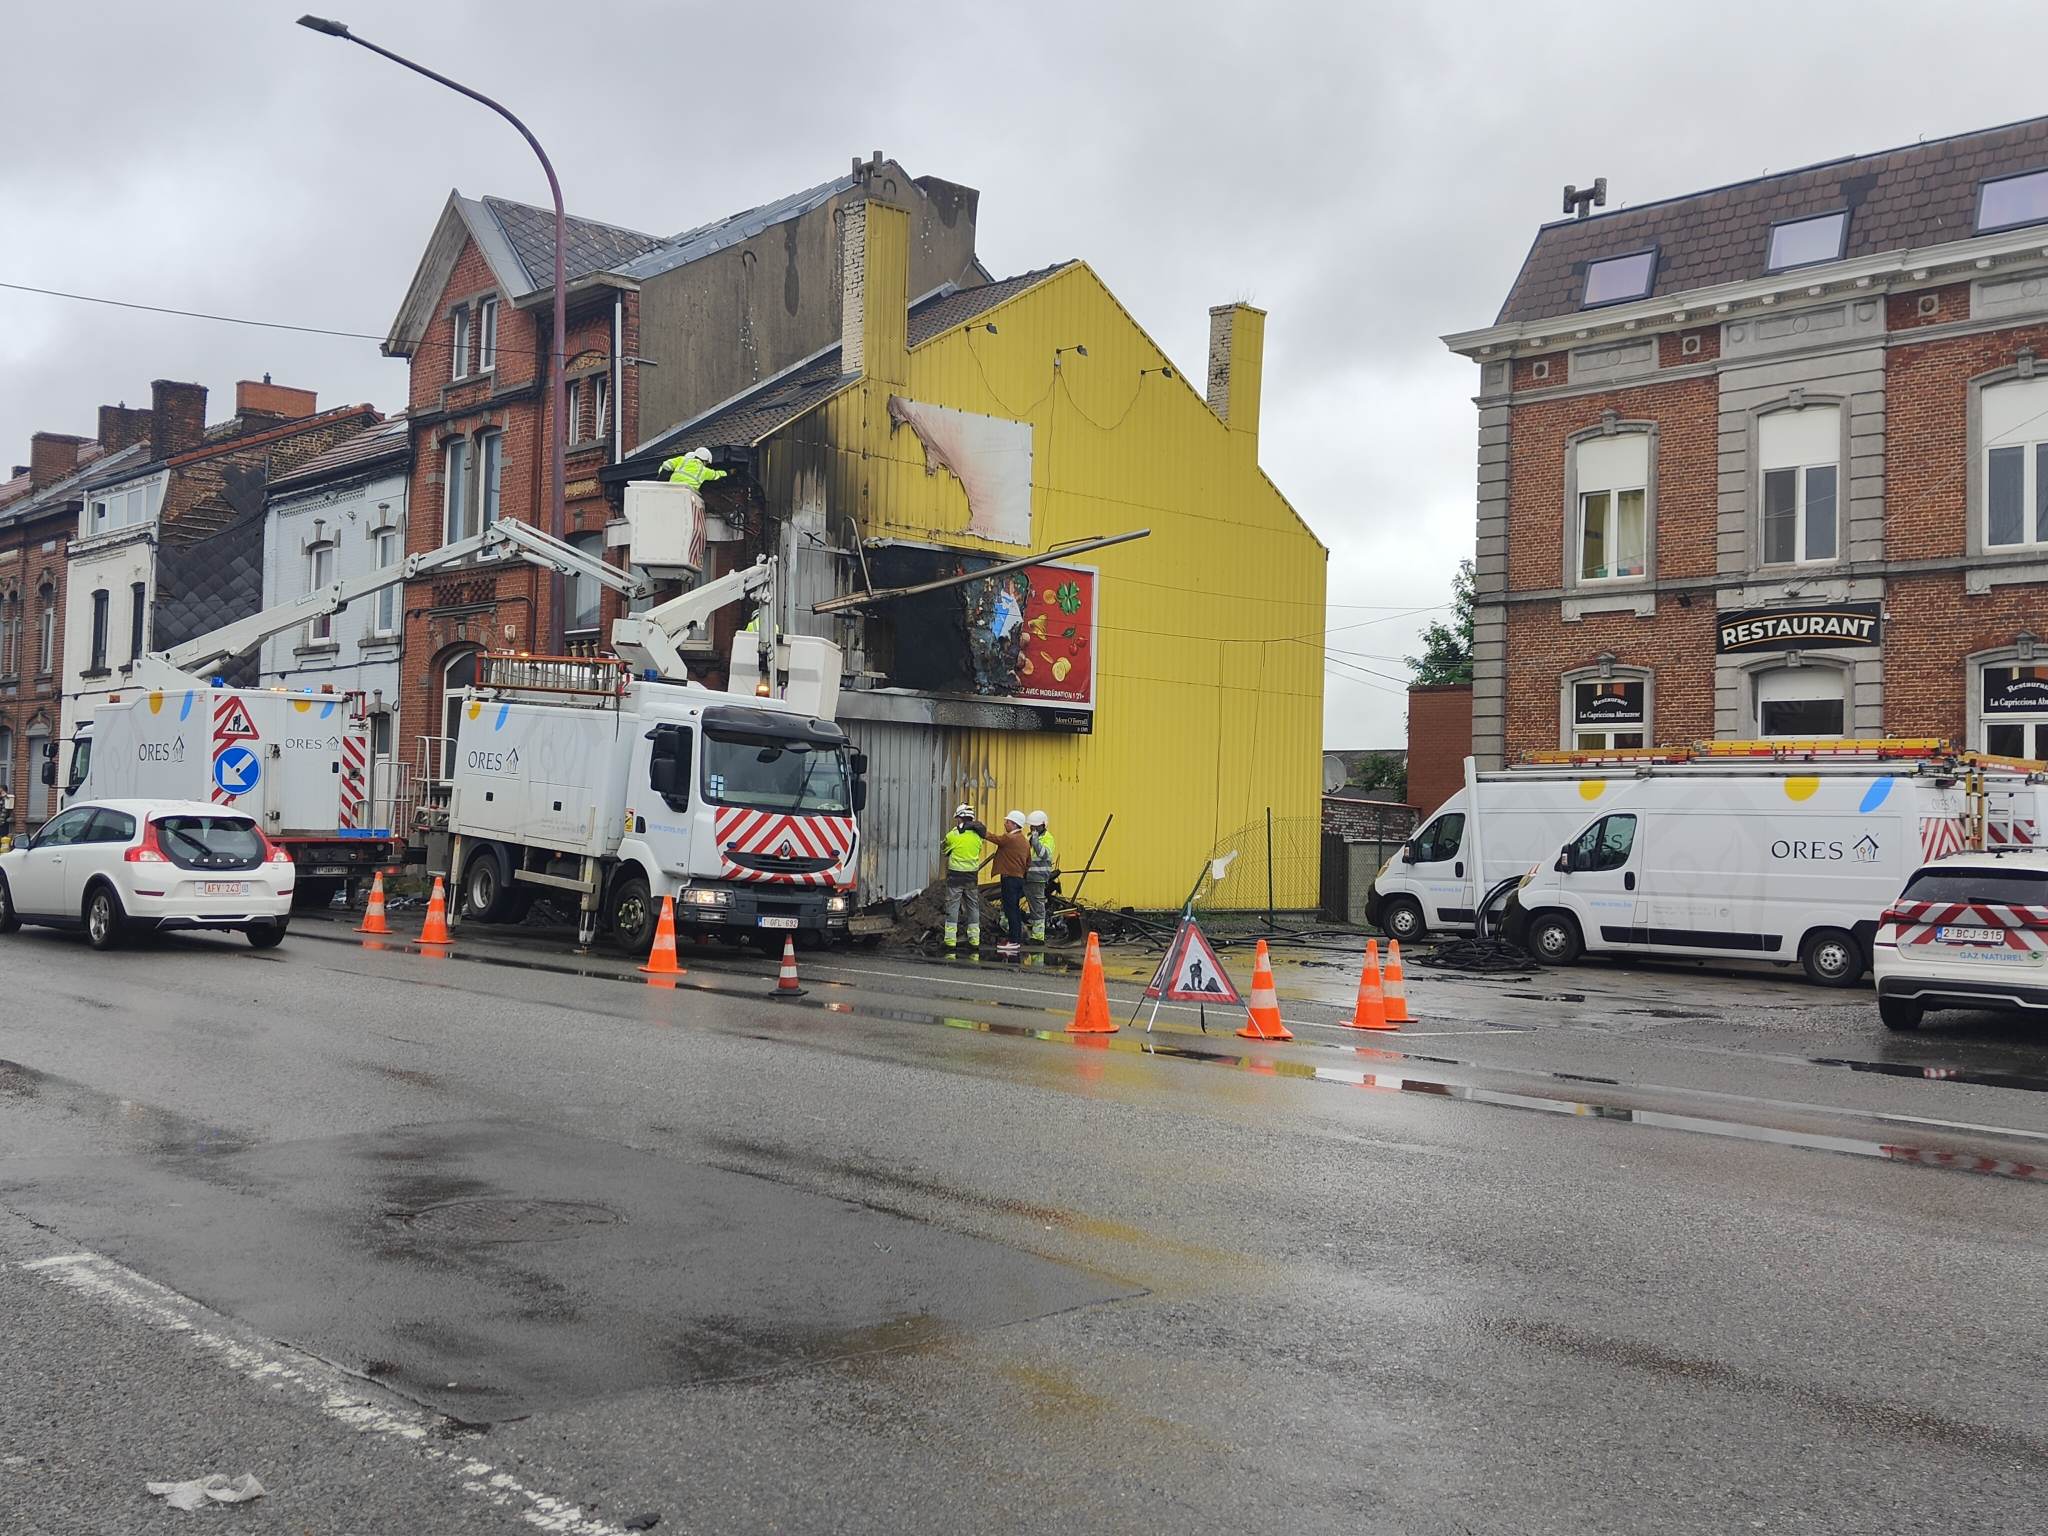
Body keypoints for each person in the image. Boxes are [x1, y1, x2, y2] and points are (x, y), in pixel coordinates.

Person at [988, 810, 1033, 956]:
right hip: (1018, 878)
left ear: (1014, 824)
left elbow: (996, 839)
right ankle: (1014, 939)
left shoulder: (1011, 838)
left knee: (1011, 910)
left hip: (1010, 879)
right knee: (1012, 909)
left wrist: (980, 830)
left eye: (1007, 821)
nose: (1005, 824)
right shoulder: (1024, 842)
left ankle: (1014, 941)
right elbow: (1028, 862)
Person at [940, 805, 985, 950]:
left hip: (955, 878)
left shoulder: (953, 835)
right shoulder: (978, 837)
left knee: (953, 907)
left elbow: (945, 850)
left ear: (960, 817)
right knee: (973, 907)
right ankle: (974, 940)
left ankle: (950, 941)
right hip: (972, 877)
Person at [1024, 809, 1057, 944]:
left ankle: (1038, 937)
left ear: (1043, 825)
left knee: (1038, 907)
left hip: (1038, 877)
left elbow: (1044, 854)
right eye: (1031, 826)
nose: (1033, 828)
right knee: (1030, 906)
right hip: (1026, 876)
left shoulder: (1048, 838)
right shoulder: (1029, 837)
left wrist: (1036, 841)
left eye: (1036, 826)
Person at [659, 445, 728, 491]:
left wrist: (661, 478)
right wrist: (729, 472)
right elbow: (716, 475)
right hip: (690, 492)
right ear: (705, 461)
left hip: (672, 487)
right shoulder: (704, 470)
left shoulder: (683, 459)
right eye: (707, 463)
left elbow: (666, 465)